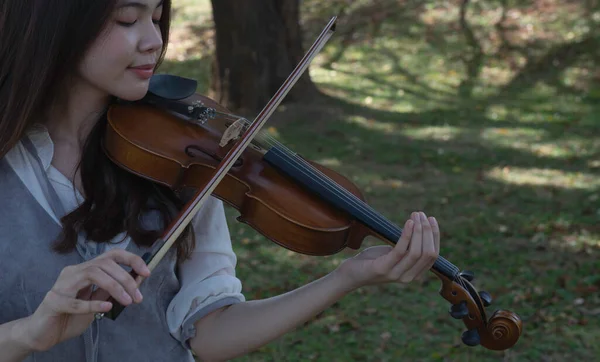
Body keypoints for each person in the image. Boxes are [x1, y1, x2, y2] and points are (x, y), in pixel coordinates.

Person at [0, 1, 441, 361]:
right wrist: (30, 334)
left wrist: (345, 278)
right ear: (56, 23)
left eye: (157, 17)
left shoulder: (184, 156)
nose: (154, 40)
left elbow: (208, 332)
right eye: (127, 19)